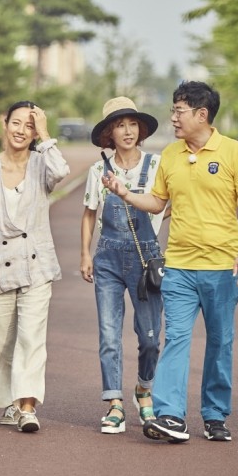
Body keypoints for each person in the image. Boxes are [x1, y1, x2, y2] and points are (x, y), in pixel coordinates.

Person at [102, 81, 238, 444]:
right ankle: (171, 414)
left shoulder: (234, 152)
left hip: (223, 267)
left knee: (221, 342)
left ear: (201, 115)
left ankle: (215, 414)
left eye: (179, 111)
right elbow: (158, 203)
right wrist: (126, 193)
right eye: (173, 110)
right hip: (179, 267)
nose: (172, 117)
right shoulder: (171, 155)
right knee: (176, 339)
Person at [0, 101, 70, 433]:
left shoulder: (43, 164)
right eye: (17, 123)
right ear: (4, 123)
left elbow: (62, 173)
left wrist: (46, 134)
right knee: (0, 341)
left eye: (29, 125)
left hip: (37, 265)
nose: (22, 131)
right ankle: (10, 402)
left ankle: (28, 406)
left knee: (31, 338)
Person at [81, 97, 165, 434]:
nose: (127, 131)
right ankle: (115, 403)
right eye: (119, 125)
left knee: (150, 338)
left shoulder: (156, 166)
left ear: (141, 129)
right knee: (109, 335)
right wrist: (85, 254)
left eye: (132, 124)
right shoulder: (98, 171)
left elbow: (166, 204)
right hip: (108, 261)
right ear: (108, 134)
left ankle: (143, 389)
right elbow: (89, 213)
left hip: (146, 261)